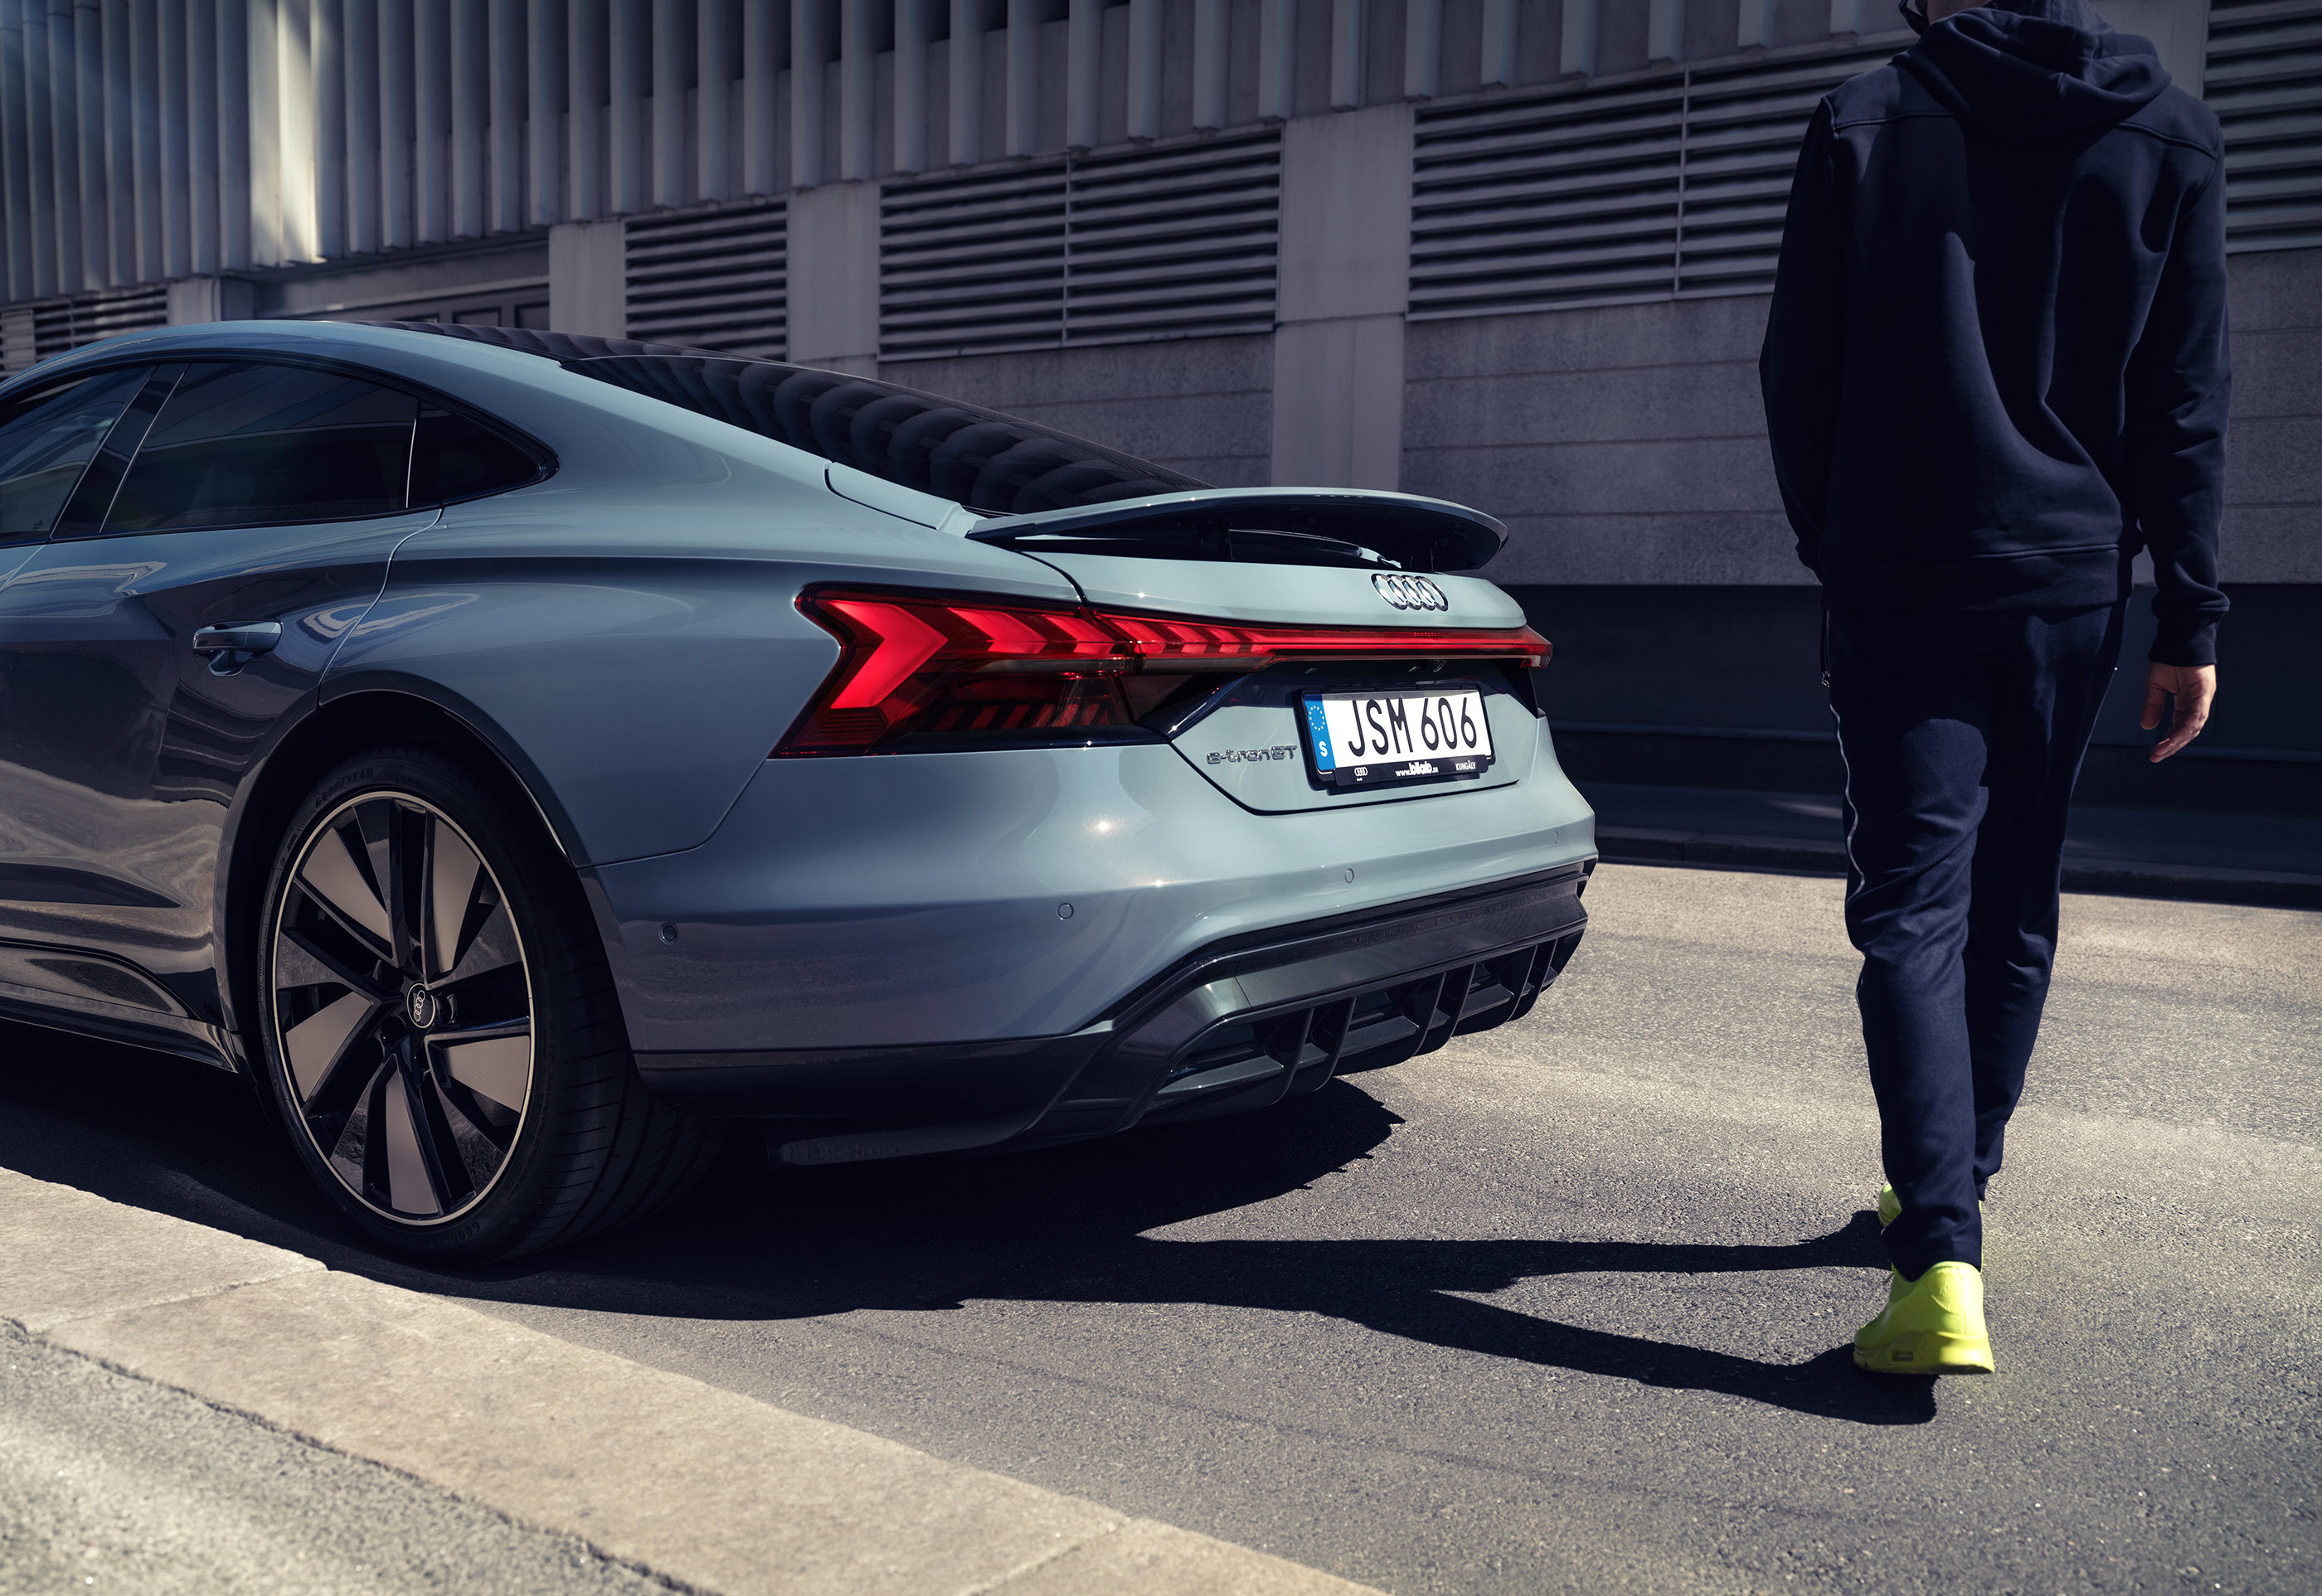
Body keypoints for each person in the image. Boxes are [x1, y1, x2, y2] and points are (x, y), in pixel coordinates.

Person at [1759, 0, 2229, 1375]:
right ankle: (1956, 1192)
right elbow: (2184, 396)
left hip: (1903, 579)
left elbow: (1798, 366)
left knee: (1912, 906)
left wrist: (1839, 544)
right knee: (2015, 895)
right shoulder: (2173, 132)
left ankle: (1938, 1255)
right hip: (2072, 585)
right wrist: (2190, 614)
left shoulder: (1863, 119)